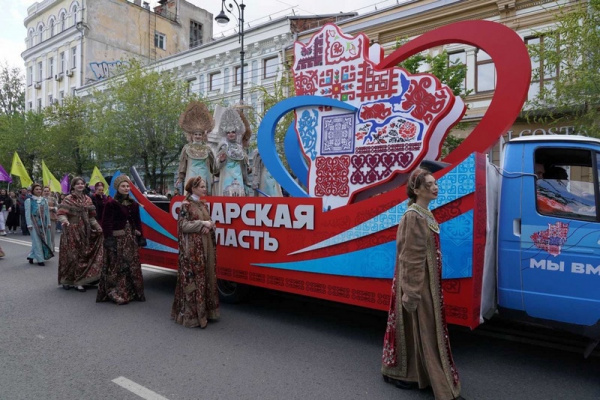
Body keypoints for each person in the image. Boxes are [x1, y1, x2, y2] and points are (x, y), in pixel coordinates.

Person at [381, 168, 463, 400]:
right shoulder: (414, 216)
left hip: (427, 284)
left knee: (418, 328)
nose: (435, 187)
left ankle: (413, 374)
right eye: (429, 184)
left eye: (435, 183)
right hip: (419, 284)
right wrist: (412, 292)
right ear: (416, 190)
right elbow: (411, 256)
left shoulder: (425, 213)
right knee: (424, 330)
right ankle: (426, 379)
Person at [171, 176, 219, 328]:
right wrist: (201, 223)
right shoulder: (186, 205)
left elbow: (210, 222)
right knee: (195, 280)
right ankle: (193, 316)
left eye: (205, 186)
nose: (205, 189)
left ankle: (206, 312)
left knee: (206, 277)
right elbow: (183, 226)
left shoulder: (203, 204)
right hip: (193, 249)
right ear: (193, 188)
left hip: (205, 245)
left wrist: (209, 225)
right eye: (202, 186)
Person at [96, 175, 146, 305]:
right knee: (117, 265)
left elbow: (137, 221)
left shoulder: (133, 204)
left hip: (130, 239)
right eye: (123, 186)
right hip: (117, 238)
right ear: (117, 188)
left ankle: (132, 291)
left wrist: (141, 236)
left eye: (128, 186)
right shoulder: (111, 203)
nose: (126, 188)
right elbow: (106, 222)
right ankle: (115, 292)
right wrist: (109, 239)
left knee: (131, 264)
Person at [57, 177, 104, 292]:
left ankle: (80, 281)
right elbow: (61, 213)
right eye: (77, 184)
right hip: (71, 230)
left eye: (82, 183)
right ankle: (67, 280)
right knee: (71, 256)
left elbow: (91, 217)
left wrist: (98, 227)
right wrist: (65, 221)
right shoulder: (68, 199)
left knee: (83, 256)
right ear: (73, 186)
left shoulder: (88, 199)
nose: (80, 185)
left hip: (85, 231)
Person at [175, 101, 217, 195]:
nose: (198, 136)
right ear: (192, 135)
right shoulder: (187, 148)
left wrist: (221, 161)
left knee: (204, 197)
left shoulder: (207, 149)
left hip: (205, 177)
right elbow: (183, 165)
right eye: (195, 134)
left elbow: (214, 168)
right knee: (191, 197)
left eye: (199, 134)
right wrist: (180, 177)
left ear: (203, 136)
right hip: (191, 177)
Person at [215, 107, 250, 196]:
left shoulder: (240, 148)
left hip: (238, 177)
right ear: (226, 134)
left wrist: (246, 164)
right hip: (226, 176)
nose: (231, 134)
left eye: (233, 132)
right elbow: (215, 168)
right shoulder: (223, 147)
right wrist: (221, 161)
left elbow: (244, 166)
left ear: (236, 133)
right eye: (228, 132)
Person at [24, 183, 54, 266]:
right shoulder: (29, 200)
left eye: (40, 189)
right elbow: (27, 213)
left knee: (43, 240)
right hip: (34, 223)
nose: (38, 191)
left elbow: (47, 213)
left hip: (43, 223)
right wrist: (29, 224)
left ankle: (31, 256)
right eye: (36, 189)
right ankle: (40, 259)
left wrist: (48, 222)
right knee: (36, 240)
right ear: (33, 190)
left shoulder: (44, 200)